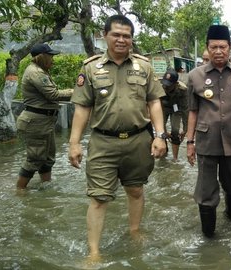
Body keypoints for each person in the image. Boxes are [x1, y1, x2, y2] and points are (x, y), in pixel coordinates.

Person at [68, 15, 167, 260]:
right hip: (103, 142)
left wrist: (160, 136)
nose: (122, 40)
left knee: (135, 190)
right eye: (116, 34)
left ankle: (134, 231)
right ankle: (93, 252)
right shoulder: (91, 68)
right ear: (105, 36)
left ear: (132, 39)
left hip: (138, 141)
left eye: (127, 35)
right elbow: (82, 108)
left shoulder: (144, 66)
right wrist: (74, 142)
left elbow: (154, 102)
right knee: (99, 198)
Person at [186, 25, 231, 238]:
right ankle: (208, 237)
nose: (218, 51)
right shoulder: (194, 76)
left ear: (230, 48)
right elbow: (192, 111)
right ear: (207, 49)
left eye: (223, 47)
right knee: (206, 191)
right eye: (214, 47)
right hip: (206, 142)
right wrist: (190, 143)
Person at [15, 43, 73, 190]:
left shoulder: (41, 71)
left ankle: (45, 187)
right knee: (34, 160)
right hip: (35, 122)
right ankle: (19, 192)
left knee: (47, 159)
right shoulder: (36, 73)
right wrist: (76, 91)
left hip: (44, 122)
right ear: (42, 57)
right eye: (51, 56)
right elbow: (52, 94)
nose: (53, 59)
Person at [160, 69, 188, 160]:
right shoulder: (159, 88)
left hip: (176, 109)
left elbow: (185, 110)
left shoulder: (183, 90)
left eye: (169, 85)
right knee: (160, 132)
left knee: (175, 131)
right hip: (163, 108)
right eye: (165, 83)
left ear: (175, 84)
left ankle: (175, 159)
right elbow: (156, 110)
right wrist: (163, 130)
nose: (166, 86)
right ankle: (163, 156)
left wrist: (185, 129)